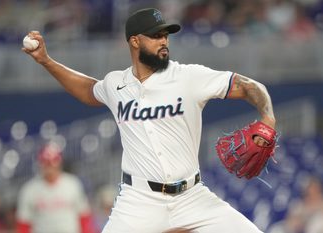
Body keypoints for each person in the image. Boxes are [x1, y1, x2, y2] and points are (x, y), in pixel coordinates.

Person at [22, 8, 276, 233]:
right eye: (155, 35)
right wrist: (46, 61)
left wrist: (268, 118)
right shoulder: (115, 84)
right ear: (134, 41)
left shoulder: (189, 77)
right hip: (139, 201)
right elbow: (89, 91)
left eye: (165, 35)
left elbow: (249, 86)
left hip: (192, 197)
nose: (163, 41)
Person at [16, 142, 94, 233]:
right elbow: (23, 223)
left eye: (53, 162)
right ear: (41, 164)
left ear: (59, 163)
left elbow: (84, 215)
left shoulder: (72, 184)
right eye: (46, 163)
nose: (50, 168)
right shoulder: (29, 189)